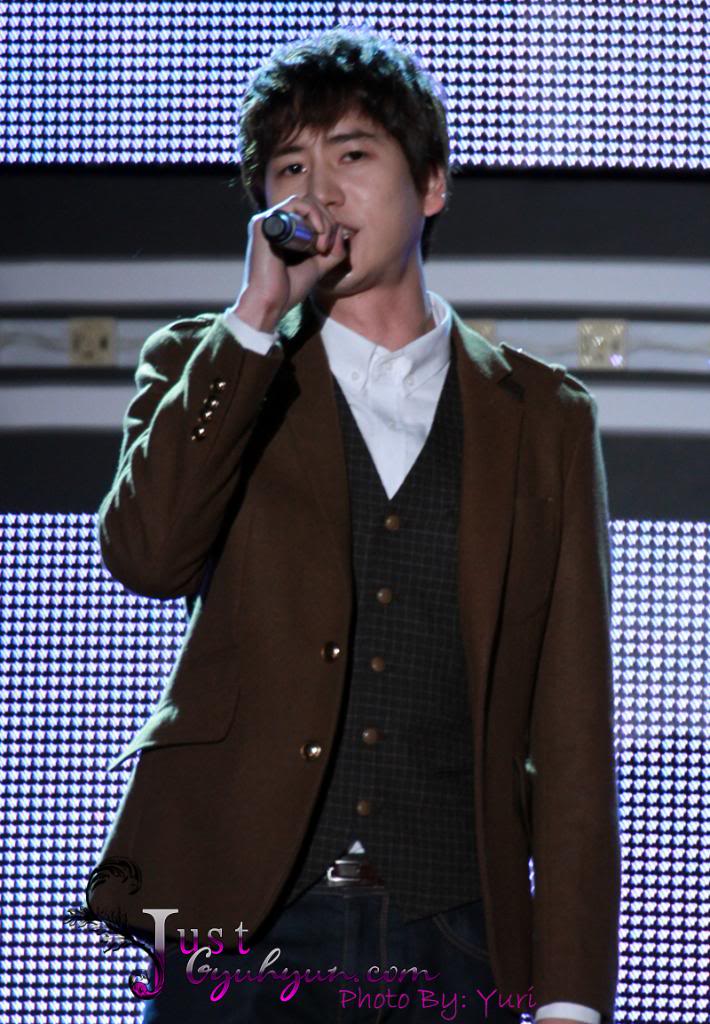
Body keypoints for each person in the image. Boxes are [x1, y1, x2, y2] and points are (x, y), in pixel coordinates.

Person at [84, 27, 621, 1024]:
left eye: (352, 154)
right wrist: (255, 318)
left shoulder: (545, 419)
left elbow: (573, 724)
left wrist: (572, 999)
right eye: (290, 167)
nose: (319, 191)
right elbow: (147, 555)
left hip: (452, 928)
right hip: (235, 928)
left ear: (431, 185)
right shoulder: (212, 364)